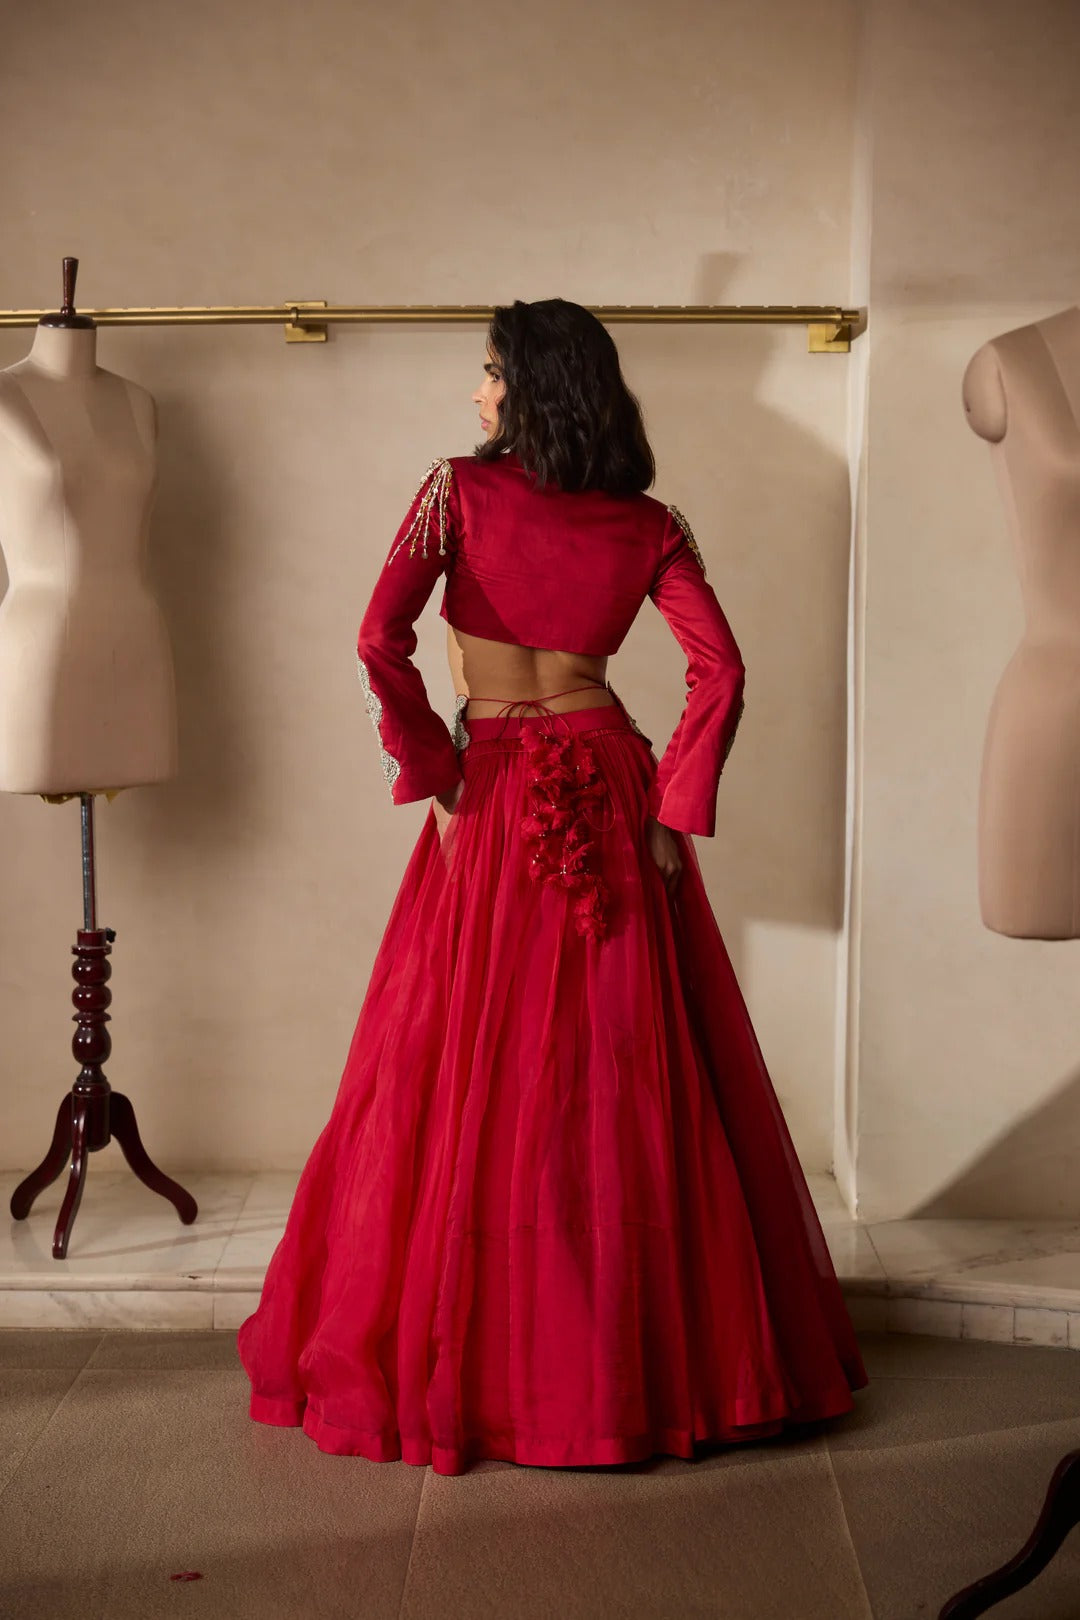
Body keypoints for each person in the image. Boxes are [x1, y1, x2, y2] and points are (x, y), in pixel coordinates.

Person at [238, 298, 867, 1474]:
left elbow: (377, 638)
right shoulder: (649, 523)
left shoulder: (454, 493)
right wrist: (673, 811)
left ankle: (487, 1364)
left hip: (491, 791)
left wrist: (434, 771)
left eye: (489, 372)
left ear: (530, 386)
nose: (476, 393)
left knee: (464, 1063)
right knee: (616, 1068)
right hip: (610, 783)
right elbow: (722, 671)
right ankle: (626, 1369)